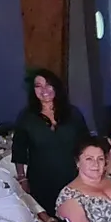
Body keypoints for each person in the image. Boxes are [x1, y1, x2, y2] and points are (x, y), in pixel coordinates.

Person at [13, 68, 89, 213]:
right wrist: (22, 178)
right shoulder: (26, 117)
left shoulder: (73, 113)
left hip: (73, 177)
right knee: (49, 219)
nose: (44, 90)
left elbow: (86, 144)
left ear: (56, 87)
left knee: (75, 215)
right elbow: (19, 149)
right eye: (38, 86)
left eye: (48, 85)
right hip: (41, 179)